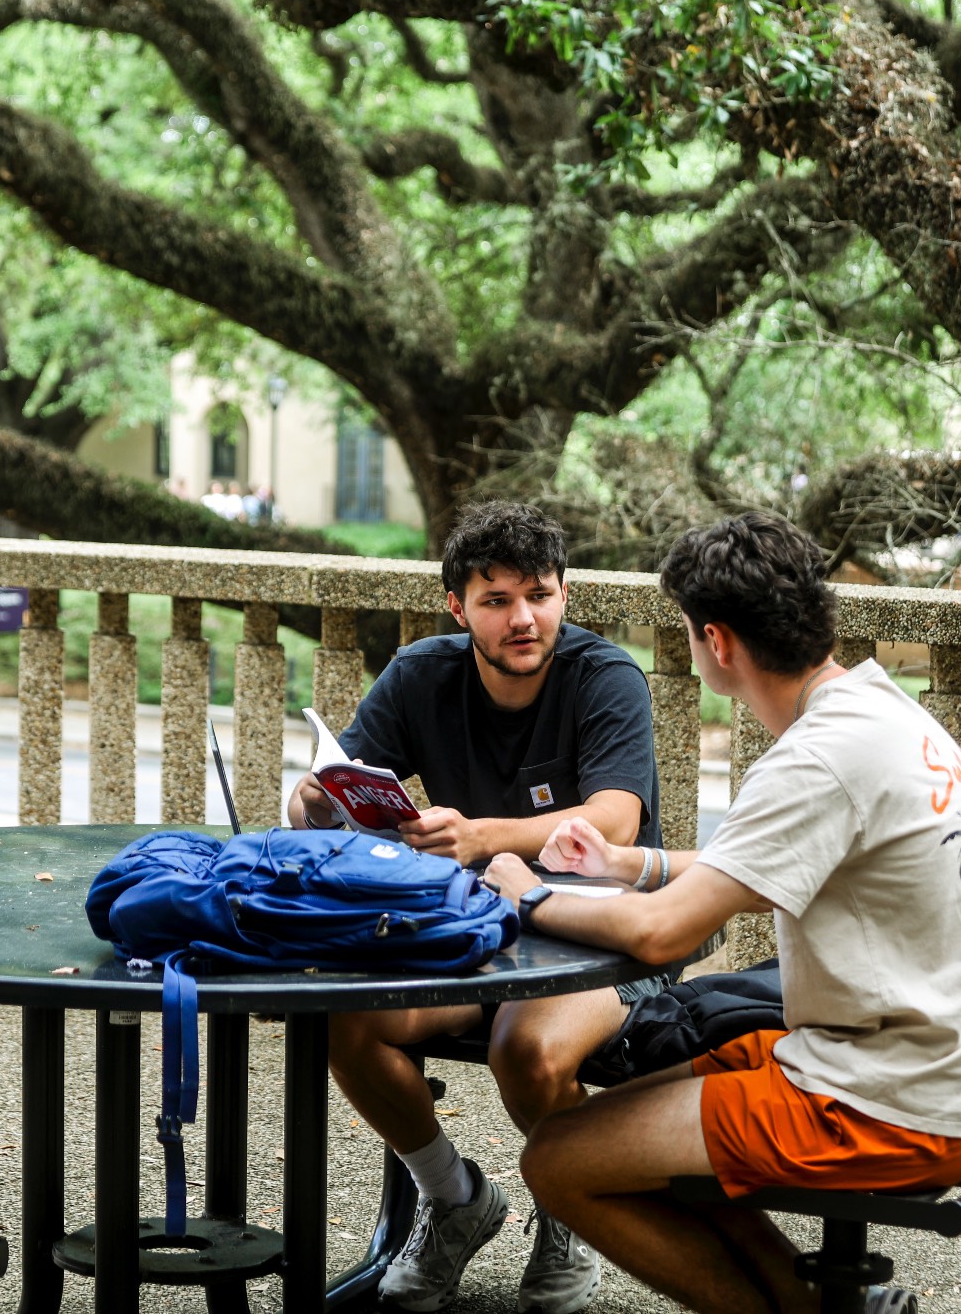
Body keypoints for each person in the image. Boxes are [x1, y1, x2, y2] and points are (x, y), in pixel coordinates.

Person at [484, 512, 961, 1314]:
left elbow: (662, 931)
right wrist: (624, 864)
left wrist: (528, 894)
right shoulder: (876, 712)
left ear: (718, 641)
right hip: (931, 1068)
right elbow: (750, 865)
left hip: (891, 1102)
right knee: (633, 1133)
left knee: (557, 1159)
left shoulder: (817, 758)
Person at [288, 500, 662, 1314]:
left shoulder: (606, 677)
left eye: (540, 594)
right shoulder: (421, 674)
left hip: (599, 942)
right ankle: (454, 1197)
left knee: (522, 1047)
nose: (524, 617)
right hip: (470, 934)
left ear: (565, 594)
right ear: (458, 608)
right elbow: (329, 787)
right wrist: (316, 800)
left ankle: (567, 1208)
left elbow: (615, 821)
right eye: (497, 600)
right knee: (348, 1020)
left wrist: (482, 835)